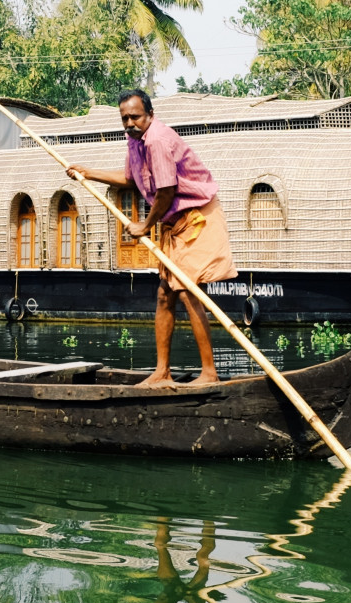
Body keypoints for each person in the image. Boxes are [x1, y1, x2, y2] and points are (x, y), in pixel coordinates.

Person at [67, 89, 236, 387]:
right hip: (174, 223)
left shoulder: (157, 139)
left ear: (150, 115)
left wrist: (145, 225)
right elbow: (131, 180)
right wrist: (88, 173)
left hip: (197, 218)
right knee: (164, 294)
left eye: (135, 117)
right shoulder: (135, 141)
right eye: (125, 118)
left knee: (187, 290)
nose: (129, 123)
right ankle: (162, 372)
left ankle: (209, 373)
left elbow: (166, 190)